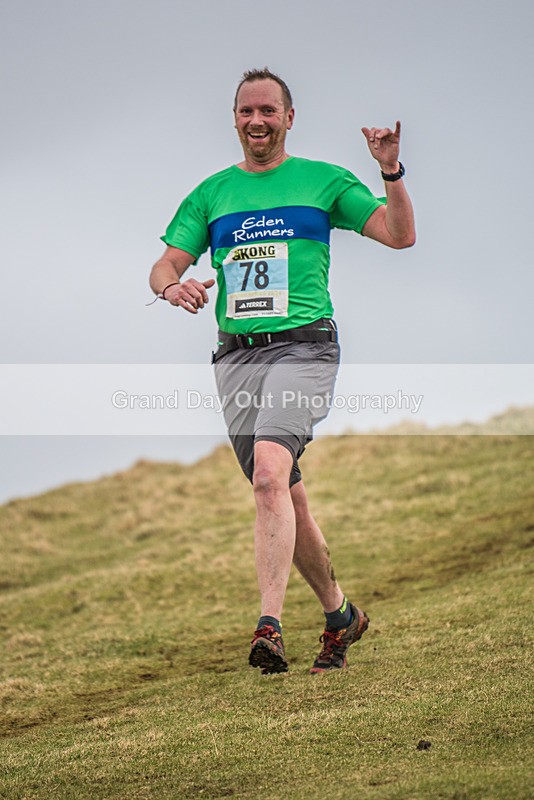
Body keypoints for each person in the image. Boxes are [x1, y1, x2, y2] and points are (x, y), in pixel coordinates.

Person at [149, 68, 415, 675]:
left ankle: (268, 626)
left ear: (289, 117)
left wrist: (391, 172)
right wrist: (174, 288)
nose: (257, 122)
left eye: (269, 111)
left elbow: (400, 236)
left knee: (269, 474)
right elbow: (164, 263)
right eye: (247, 112)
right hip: (236, 358)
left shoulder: (323, 182)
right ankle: (341, 615)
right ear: (235, 119)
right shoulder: (211, 194)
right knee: (284, 491)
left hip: (304, 349)